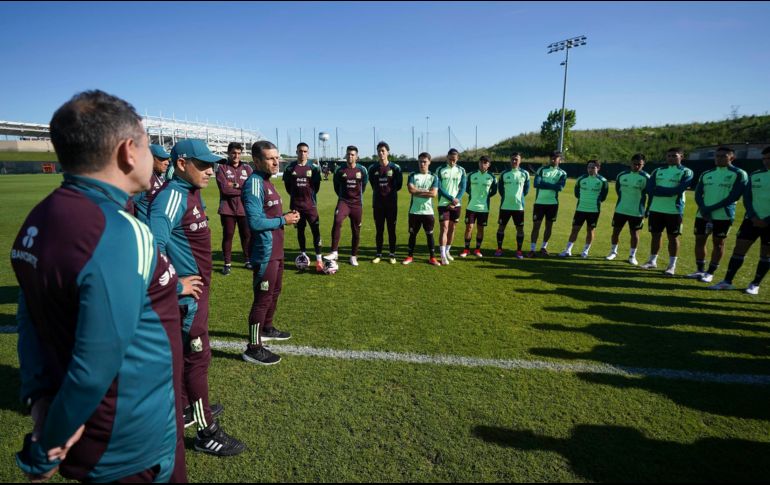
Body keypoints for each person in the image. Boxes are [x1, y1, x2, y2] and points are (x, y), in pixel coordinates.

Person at [11, 90, 182, 482]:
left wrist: (38, 398)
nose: (154, 158)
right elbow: (94, 367)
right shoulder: (121, 233)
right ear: (127, 151)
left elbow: (30, 319)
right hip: (131, 443)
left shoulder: (39, 219)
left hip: (103, 436)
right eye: (147, 145)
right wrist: (44, 452)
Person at [148, 138, 246, 456]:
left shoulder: (191, 192)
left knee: (188, 360)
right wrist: (177, 286)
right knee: (197, 360)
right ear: (181, 164)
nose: (210, 170)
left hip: (197, 295)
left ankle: (189, 410)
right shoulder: (171, 198)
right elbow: (150, 252)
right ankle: (206, 433)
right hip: (187, 299)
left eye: (211, 164)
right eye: (202, 165)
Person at [242, 141, 301, 364]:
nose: (276, 162)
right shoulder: (254, 184)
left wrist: (285, 216)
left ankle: (266, 328)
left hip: (277, 249)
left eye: (277, 157)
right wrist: (282, 220)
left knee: (275, 292)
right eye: (270, 158)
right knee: (262, 299)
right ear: (256, 161)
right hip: (265, 252)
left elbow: (268, 214)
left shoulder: (267, 182)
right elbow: (255, 222)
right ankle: (253, 348)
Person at [709, 146, 770, 294]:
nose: (766, 162)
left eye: (769, 159)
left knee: (766, 254)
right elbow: (747, 198)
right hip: (752, 220)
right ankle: (727, 281)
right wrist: (753, 215)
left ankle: (755, 284)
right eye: (764, 159)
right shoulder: (755, 175)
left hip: (769, 222)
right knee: (739, 250)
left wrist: (767, 219)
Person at [687, 146, 748, 283]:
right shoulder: (706, 173)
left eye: (723, 156)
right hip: (702, 214)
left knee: (718, 243)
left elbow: (734, 196)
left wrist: (710, 208)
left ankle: (710, 272)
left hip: (723, 215)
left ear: (731, 158)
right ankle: (700, 270)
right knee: (700, 240)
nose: (719, 158)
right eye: (717, 156)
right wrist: (703, 208)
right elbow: (698, 193)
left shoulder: (739, 173)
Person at [640, 147, 694, 276]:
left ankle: (671, 266)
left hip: (674, 210)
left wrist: (660, 189)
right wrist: (666, 191)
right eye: (669, 156)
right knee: (655, 235)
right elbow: (649, 189)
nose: (670, 158)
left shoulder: (686, 172)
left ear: (681, 157)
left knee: (673, 237)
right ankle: (652, 261)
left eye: (674, 156)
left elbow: (678, 190)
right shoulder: (658, 171)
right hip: (655, 209)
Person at [282, 142, 323, 272]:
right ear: (296, 152)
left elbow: (316, 187)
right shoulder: (290, 168)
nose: (302, 153)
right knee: (300, 231)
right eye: (300, 151)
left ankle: (319, 259)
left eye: (305, 151)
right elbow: (288, 187)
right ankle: (303, 255)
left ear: (308, 153)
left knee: (316, 231)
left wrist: (308, 198)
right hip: (296, 206)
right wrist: (296, 198)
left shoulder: (314, 168)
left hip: (310, 206)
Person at [327, 146, 369, 266]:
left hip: (357, 204)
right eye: (348, 154)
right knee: (337, 220)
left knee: (356, 231)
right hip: (344, 202)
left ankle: (353, 256)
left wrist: (357, 197)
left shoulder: (362, 170)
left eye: (352, 154)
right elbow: (336, 186)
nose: (350, 156)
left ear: (356, 156)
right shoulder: (339, 170)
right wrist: (342, 198)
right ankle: (334, 251)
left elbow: (364, 185)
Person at [605, 154, 650, 265]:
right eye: (634, 164)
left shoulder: (646, 177)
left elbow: (650, 195)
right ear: (630, 163)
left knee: (634, 234)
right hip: (620, 209)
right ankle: (613, 252)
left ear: (643, 164)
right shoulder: (622, 175)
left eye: (639, 164)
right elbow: (618, 190)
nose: (636, 166)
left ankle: (632, 256)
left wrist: (647, 209)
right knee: (615, 232)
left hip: (637, 212)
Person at [216, 142, 253, 275]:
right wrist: (241, 187)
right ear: (228, 153)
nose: (236, 156)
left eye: (238, 153)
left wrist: (235, 185)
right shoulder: (222, 168)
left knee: (247, 236)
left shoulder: (247, 168)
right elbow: (225, 189)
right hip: (227, 209)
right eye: (233, 153)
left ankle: (248, 260)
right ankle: (227, 264)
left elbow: (250, 189)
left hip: (244, 209)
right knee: (228, 236)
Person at [559, 160, 609, 258]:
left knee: (590, 230)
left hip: (594, 210)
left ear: (598, 168)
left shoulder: (603, 181)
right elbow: (576, 193)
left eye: (593, 167)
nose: (590, 169)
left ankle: (585, 251)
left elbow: (603, 196)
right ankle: (568, 250)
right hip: (580, 209)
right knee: (575, 229)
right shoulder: (581, 179)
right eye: (589, 167)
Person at [403, 152, 441, 265]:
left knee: (430, 234)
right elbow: (411, 191)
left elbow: (434, 194)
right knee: (412, 234)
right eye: (420, 161)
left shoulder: (434, 176)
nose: (422, 164)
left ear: (429, 162)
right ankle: (410, 256)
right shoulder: (412, 175)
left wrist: (418, 192)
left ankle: (432, 258)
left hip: (428, 212)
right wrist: (426, 192)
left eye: (424, 161)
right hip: (414, 211)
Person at [368, 141, 403, 264]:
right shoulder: (372, 168)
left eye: (383, 151)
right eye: (379, 151)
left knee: (391, 229)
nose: (381, 153)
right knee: (379, 230)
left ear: (388, 152)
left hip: (391, 204)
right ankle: (378, 254)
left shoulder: (395, 168)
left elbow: (398, 185)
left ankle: (392, 254)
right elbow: (373, 184)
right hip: (378, 204)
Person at [528, 151, 567, 257]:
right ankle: (532, 249)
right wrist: (552, 185)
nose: (553, 160)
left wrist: (544, 183)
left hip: (553, 204)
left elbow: (560, 188)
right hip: (539, 203)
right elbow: (536, 184)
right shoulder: (542, 169)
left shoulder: (562, 173)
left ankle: (543, 247)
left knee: (549, 227)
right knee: (536, 226)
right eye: (552, 158)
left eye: (556, 158)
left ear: (560, 160)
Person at [460, 156, 497, 258]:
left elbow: (494, 191)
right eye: (481, 162)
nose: (482, 164)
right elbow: (466, 188)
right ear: (478, 163)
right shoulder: (471, 175)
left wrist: (486, 196)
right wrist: (473, 195)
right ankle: (466, 249)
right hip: (471, 207)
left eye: (485, 162)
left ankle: (477, 249)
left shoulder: (492, 177)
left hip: (484, 208)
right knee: (469, 228)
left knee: (480, 229)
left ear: (488, 165)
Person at [435, 148, 468, 265]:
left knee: (452, 228)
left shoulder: (462, 170)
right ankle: (442, 255)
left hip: (456, 204)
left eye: (454, 160)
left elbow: (463, 187)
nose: (452, 162)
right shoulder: (440, 170)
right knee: (444, 228)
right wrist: (451, 199)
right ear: (447, 157)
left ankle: (448, 251)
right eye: (450, 159)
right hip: (443, 204)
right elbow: (439, 187)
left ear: (457, 159)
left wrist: (457, 199)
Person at [495, 152, 530, 259]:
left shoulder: (525, 174)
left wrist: (518, 198)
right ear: (510, 160)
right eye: (513, 159)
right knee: (501, 228)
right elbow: (500, 189)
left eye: (516, 159)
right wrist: (507, 197)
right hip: (505, 206)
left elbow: (526, 190)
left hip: (518, 207)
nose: (514, 161)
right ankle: (499, 248)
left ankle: (519, 251)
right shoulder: (504, 174)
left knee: (520, 229)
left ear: (520, 160)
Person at [131, 143, 170, 221]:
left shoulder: (159, 176)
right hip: (147, 228)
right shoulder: (144, 178)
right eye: (162, 159)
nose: (167, 163)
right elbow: (128, 203)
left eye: (167, 159)